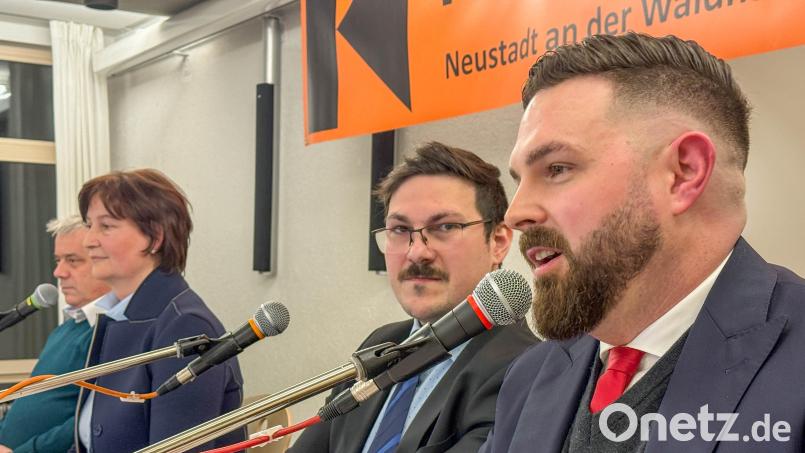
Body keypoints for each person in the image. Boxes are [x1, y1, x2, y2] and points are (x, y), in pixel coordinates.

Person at [480, 32, 805, 452]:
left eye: (557, 168)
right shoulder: (528, 379)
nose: (515, 213)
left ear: (683, 173)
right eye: (520, 180)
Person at [290, 142, 537, 453]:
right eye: (399, 229)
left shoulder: (527, 369)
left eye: (445, 226)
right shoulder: (383, 343)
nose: (417, 252)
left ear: (498, 242)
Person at [71, 169, 245, 452]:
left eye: (106, 226)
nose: (88, 240)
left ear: (154, 237)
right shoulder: (119, 318)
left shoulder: (186, 325)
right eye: (89, 225)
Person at [0, 216, 109, 453]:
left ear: (105, 260)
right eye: (58, 260)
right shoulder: (65, 330)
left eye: (73, 260)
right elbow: (32, 404)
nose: (58, 272)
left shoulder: (111, 330)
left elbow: (94, 418)